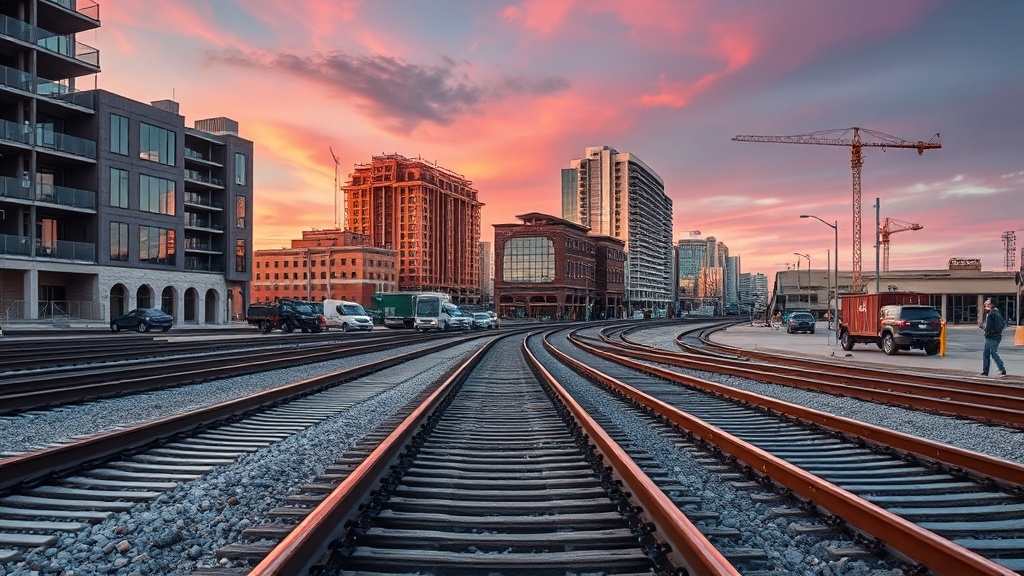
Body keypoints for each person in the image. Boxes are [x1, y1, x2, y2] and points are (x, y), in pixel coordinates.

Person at [979, 299, 1007, 377]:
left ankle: (1002, 369)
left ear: (991, 305)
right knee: (986, 353)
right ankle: (985, 371)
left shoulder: (994, 313)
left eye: (987, 303)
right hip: (990, 336)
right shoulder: (991, 313)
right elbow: (988, 324)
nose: (985, 304)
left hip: (993, 337)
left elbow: (1001, 325)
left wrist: (991, 331)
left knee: (993, 353)